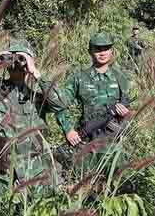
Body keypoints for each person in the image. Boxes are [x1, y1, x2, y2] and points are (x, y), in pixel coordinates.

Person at [0, 37, 66, 204]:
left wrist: (35, 72)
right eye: (11, 58)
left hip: (35, 166)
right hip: (2, 168)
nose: (16, 63)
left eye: (21, 58)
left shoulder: (39, 89)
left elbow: (61, 103)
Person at [55, 32, 133, 173]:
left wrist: (125, 113)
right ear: (90, 51)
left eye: (106, 49)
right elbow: (58, 103)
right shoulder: (79, 78)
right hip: (86, 141)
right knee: (85, 185)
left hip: (112, 143)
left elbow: (129, 107)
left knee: (116, 187)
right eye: (97, 49)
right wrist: (68, 130)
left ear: (111, 51)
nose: (102, 53)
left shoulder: (121, 77)